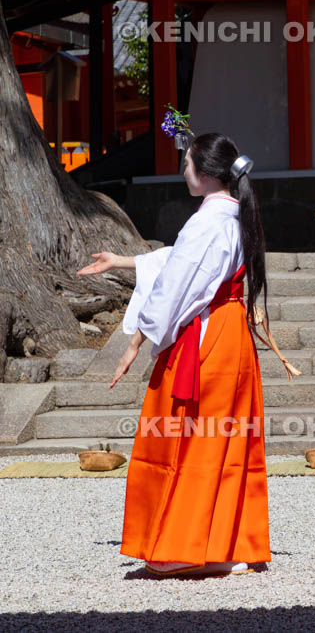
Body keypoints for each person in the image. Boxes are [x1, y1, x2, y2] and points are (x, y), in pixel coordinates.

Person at [77, 133, 272, 577]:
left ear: (203, 173)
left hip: (206, 341)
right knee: (225, 441)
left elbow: (177, 285)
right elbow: (182, 264)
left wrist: (136, 340)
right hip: (229, 335)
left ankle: (185, 547)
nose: (183, 171)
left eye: (186, 164)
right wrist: (125, 261)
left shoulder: (207, 222)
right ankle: (226, 543)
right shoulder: (234, 215)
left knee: (192, 438)